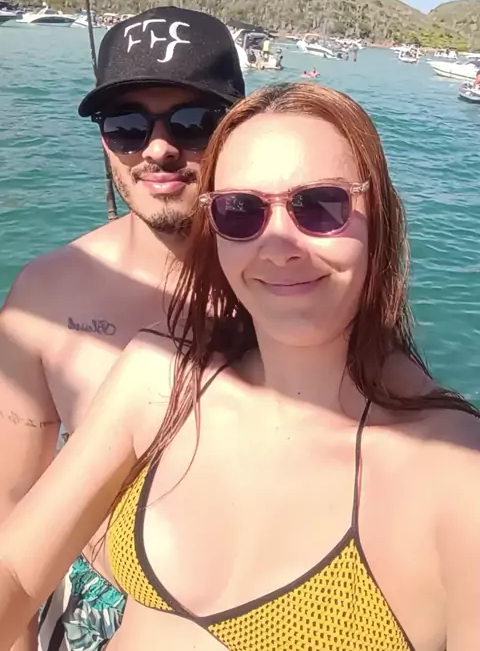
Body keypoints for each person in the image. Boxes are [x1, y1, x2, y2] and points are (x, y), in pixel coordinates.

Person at [1, 82, 479, 651]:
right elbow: (18, 573)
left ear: (379, 214)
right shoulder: (157, 379)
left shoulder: (456, 478)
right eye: (240, 210)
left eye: (319, 205)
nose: (278, 245)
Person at [0, 5, 245, 651]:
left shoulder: (292, 290)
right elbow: (11, 502)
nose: (157, 149)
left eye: (193, 122)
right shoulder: (45, 297)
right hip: (99, 608)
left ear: (238, 129)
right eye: (127, 125)